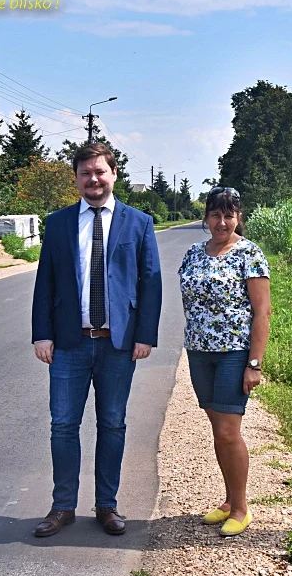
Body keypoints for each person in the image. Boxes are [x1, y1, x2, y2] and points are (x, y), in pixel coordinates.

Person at [30, 142, 162, 538]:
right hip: (69, 343)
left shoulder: (139, 223)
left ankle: (107, 505)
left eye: (100, 171)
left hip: (117, 345)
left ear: (114, 174)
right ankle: (63, 506)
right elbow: (45, 282)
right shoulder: (58, 223)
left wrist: (145, 335)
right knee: (63, 425)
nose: (93, 179)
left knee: (113, 424)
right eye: (85, 173)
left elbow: (150, 283)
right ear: (76, 178)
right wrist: (42, 334)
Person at [178, 186, 271, 537]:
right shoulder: (193, 253)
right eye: (215, 215)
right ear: (206, 217)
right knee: (218, 430)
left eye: (228, 215)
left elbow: (262, 312)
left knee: (229, 432)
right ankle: (230, 502)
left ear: (238, 217)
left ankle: (242, 508)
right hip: (199, 352)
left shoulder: (249, 253)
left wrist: (254, 363)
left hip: (234, 353)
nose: (222, 222)